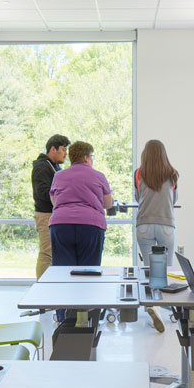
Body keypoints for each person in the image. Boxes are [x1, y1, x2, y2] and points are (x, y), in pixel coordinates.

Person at [49, 141, 115, 317]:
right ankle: (87, 317)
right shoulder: (98, 176)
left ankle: (64, 317)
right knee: (89, 272)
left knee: (63, 273)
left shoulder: (59, 176)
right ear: (86, 157)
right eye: (92, 157)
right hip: (90, 225)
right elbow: (108, 204)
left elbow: (54, 200)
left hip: (61, 225)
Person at [134, 139, 179, 333]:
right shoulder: (172, 174)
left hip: (144, 223)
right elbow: (175, 199)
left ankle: (154, 306)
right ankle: (159, 307)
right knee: (162, 269)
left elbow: (137, 197)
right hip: (166, 224)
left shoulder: (138, 173)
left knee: (149, 268)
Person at [32, 134, 70, 278]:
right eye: (63, 149)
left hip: (54, 215)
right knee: (46, 253)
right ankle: (41, 287)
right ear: (53, 149)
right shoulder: (41, 166)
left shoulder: (55, 167)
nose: (65, 153)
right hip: (45, 215)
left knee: (54, 253)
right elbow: (42, 192)